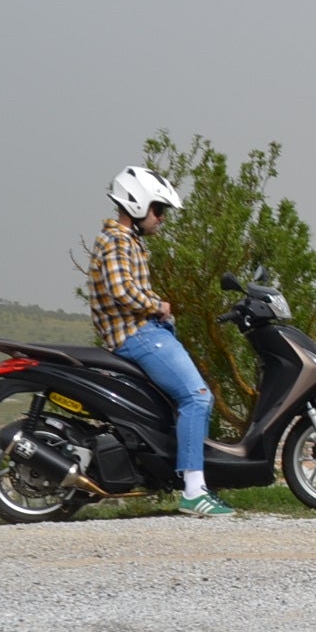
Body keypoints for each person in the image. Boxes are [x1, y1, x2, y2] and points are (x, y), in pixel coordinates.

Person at [89, 166, 232, 517]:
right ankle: (194, 492)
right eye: (159, 210)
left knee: (178, 404)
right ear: (137, 205)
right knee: (197, 398)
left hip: (146, 333)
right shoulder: (117, 241)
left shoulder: (125, 241)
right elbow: (121, 290)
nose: (162, 219)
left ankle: (181, 478)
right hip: (138, 336)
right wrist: (159, 306)